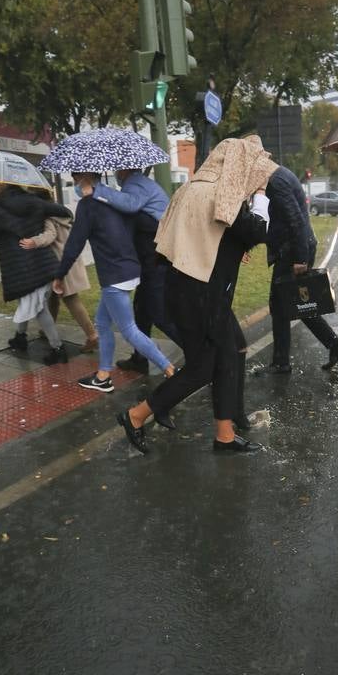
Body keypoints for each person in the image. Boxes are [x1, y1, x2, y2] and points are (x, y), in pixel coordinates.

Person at [116, 136, 276, 455]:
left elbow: (185, 237)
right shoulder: (224, 193)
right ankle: (137, 415)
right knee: (204, 366)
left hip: (180, 287)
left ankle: (225, 434)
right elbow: (258, 231)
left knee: (228, 355)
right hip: (204, 294)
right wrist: (260, 196)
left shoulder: (188, 189)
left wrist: (229, 248)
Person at [52, 172, 174, 392]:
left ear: (84, 179)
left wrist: (60, 275)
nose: (75, 183)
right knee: (102, 323)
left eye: (75, 178)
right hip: (130, 269)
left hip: (114, 275)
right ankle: (103, 375)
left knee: (129, 330)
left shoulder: (88, 205)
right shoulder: (115, 201)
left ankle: (168, 368)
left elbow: (74, 244)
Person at [81, 167, 181, 374]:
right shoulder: (134, 184)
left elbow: (130, 204)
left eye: (119, 168)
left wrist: (97, 188)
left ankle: (200, 352)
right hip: (148, 262)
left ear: (128, 168)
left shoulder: (137, 184)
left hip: (156, 261)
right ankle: (139, 359)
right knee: (141, 311)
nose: (117, 171)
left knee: (159, 313)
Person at [261, 164, 338, 374]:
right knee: (296, 304)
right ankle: (333, 344)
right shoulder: (281, 175)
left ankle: (282, 363)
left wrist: (300, 258)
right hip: (295, 248)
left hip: (293, 251)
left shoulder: (277, 182)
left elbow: (296, 220)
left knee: (282, 304)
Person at [0, 184, 70, 365]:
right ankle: (20, 337)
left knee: (39, 308)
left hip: (22, 270)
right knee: (29, 302)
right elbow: (65, 211)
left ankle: (57, 348)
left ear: (0, 191)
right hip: (44, 266)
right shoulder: (34, 202)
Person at [19, 189, 98, 353]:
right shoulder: (60, 212)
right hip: (68, 260)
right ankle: (49, 328)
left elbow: (50, 235)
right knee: (54, 297)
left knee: (70, 299)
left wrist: (34, 242)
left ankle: (92, 335)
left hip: (62, 263)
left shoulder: (49, 216)